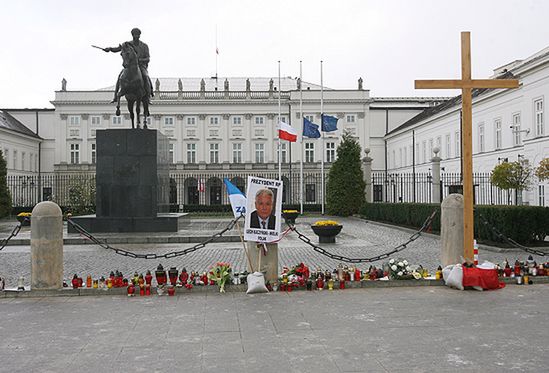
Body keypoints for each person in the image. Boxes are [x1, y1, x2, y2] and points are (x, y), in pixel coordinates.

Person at [104, 28, 152, 103]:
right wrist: (110, 49)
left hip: (141, 66)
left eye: (137, 35)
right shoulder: (127, 44)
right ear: (132, 35)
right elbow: (118, 49)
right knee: (120, 77)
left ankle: (148, 96)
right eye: (134, 35)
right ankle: (115, 97)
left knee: (146, 76)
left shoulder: (144, 46)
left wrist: (140, 60)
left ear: (139, 36)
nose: (136, 36)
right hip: (129, 66)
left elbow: (148, 58)